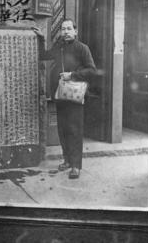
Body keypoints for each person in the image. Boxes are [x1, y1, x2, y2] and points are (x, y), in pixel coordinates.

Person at [33, 19, 96, 179]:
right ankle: (67, 160)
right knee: (63, 129)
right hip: (61, 95)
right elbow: (43, 55)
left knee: (75, 130)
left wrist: (72, 75)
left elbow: (92, 70)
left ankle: (76, 166)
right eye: (63, 29)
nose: (66, 32)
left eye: (69, 29)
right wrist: (41, 38)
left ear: (75, 31)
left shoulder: (82, 48)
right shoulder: (59, 47)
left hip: (75, 96)